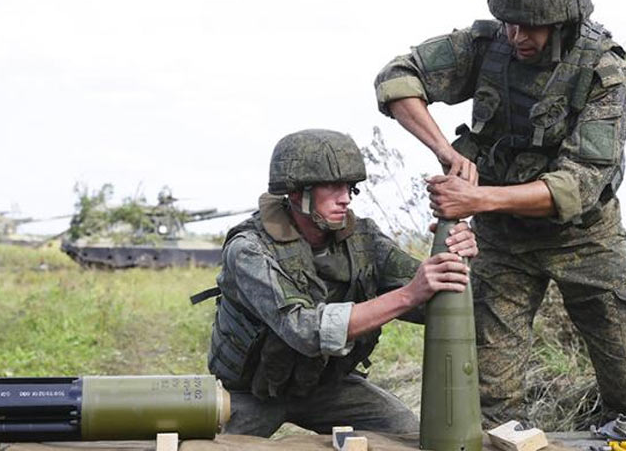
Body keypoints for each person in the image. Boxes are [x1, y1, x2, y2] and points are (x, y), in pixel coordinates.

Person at [374, 0, 626, 427]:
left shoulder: (605, 73)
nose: (516, 36)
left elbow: (577, 186)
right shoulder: (488, 46)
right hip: (504, 243)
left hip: (586, 240)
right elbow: (397, 79)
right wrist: (447, 153)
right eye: (509, 23)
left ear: (564, 24)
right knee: (489, 397)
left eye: (530, 27)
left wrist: (476, 199)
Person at [197, 129, 477, 437]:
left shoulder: (363, 239)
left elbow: (432, 300)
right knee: (208, 446)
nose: (345, 198)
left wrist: (452, 250)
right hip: (251, 392)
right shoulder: (250, 249)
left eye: (349, 187)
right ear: (295, 194)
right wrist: (409, 294)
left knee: (406, 435)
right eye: (331, 187)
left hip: (324, 388)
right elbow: (305, 330)